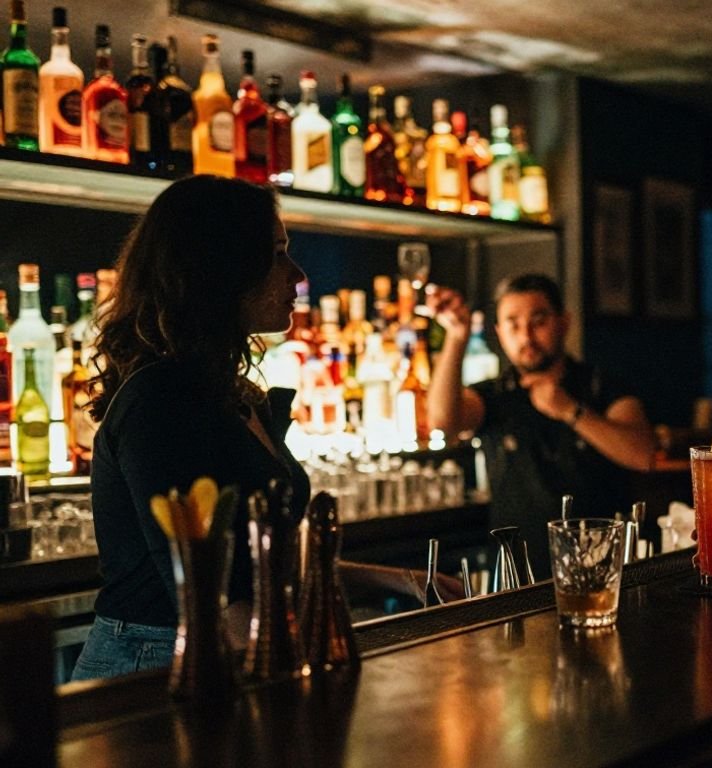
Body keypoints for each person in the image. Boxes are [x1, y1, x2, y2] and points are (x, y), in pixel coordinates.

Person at [70, 176, 455, 682]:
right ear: (219, 268)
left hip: (231, 645)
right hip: (155, 667)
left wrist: (405, 581)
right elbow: (207, 593)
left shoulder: (232, 394)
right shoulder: (158, 401)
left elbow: (262, 563)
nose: (297, 275)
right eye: (276, 255)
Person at [427, 273, 654, 574]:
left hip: (600, 572)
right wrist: (457, 337)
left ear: (564, 322)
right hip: (516, 577)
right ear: (499, 332)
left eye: (538, 321)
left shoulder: (601, 386)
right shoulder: (494, 395)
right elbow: (442, 422)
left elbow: (642, 455)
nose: (526, 336)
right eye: (513, 324)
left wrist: (570, 410)